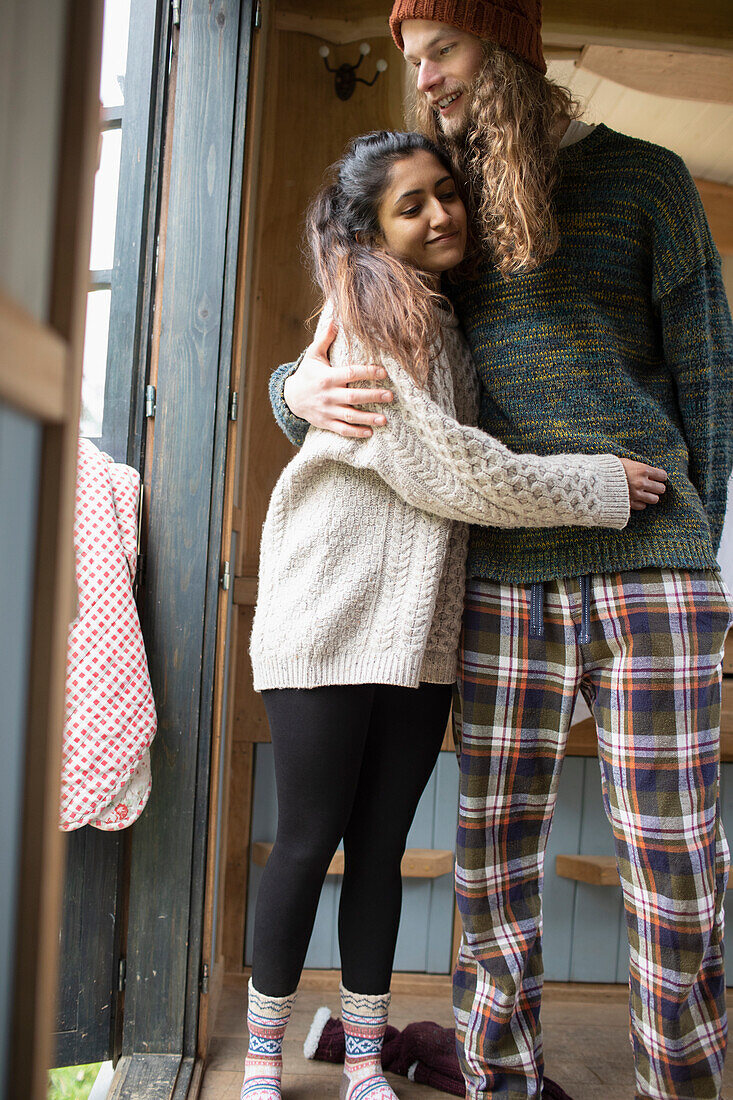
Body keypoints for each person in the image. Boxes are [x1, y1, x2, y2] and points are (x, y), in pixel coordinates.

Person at [267, 4, 733, 1099]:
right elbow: (353, 346)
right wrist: (292, 392)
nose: (423, 78)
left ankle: (682, 1084)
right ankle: (500, 1083)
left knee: (675, 866)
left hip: (651, 561)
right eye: (411, 59)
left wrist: (705, 545)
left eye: (443, 51)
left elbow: (710, 372)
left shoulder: (650, 180)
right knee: (493, 861)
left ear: (508, 45)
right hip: (501, 574)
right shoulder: (440, 205)